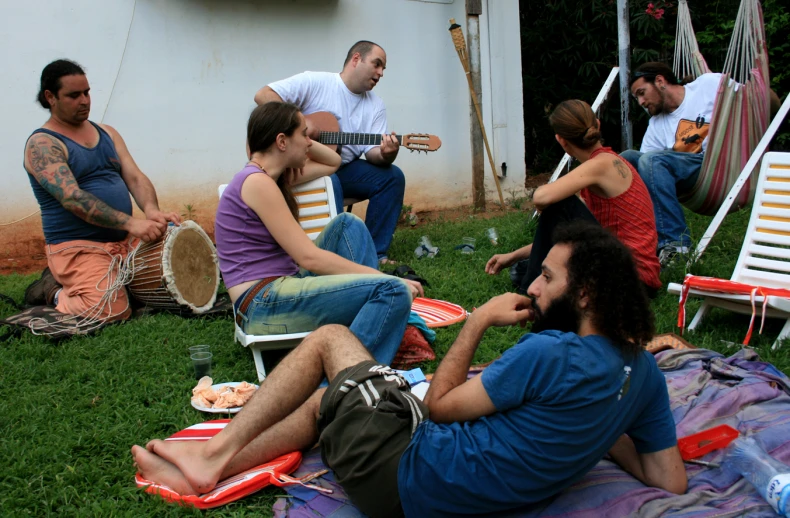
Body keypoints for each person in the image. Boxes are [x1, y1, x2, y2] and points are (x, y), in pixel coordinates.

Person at [132, 221, 687, 518]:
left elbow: (440, 409)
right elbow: (669, 478)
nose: (532, 288)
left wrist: (477, 322)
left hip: (407, 474)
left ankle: (211, 458)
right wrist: (603, 431)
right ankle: (216, 460)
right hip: (428, 482)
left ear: (585, 293)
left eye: (545, 278)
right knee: (336, 399)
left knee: (332, 341)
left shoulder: (550, 355)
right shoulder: (643, 378)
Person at [214, 101, 422, 368]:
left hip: (278, 289)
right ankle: (348, 374)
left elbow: (334, 161)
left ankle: (372, 313)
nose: (310, 140)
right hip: (262, 305)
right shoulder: (257, 183)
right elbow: (308, 257)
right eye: (304, 134)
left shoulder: (273, 177)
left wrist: (299, 140)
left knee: (348, 224)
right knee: (392, 290)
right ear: (281, 141)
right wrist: (384, 278)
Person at [22, 59, 180, 322]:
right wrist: (131, 223)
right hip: (77, 248)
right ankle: (53, 292)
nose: (84, 100)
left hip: (123, 243)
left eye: (86, 92)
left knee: (181, 258)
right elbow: (73, 198)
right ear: (50, 97)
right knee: (111, 310)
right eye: (74, 95)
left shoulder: (107, 133)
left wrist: (152, 212)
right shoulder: (42, 144)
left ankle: (117, 283)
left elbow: (135, 177)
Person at [486, 99, 661, 296]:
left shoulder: (601, 165)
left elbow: (541, 197)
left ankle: (527, 297)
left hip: (630, 278)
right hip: (629, 273)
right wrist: (512, 256)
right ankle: (534, 281)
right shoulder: (603, 164)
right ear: (598, 125)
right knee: (524, 269)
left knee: (559, 202)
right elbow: (571, 232)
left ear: (561, 140)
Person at [254, 40, 404, 264]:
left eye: (383, 68)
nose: (380, 73)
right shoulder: (316, 82)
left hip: (345, 170)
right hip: (301, 168)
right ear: (356, 59)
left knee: (392, 177)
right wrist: (301, 122)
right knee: (329, 180)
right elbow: (263, 95)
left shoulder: (375, 105)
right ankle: (331, 255)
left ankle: (374, 254)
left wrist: (387, 153)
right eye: (377, 64)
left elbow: (373, 154)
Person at [620, 62, 723, 266]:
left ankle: (676, 246)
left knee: (652, 159)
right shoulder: (656, 124)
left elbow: (750, 99)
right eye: (636, 97)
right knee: (626, 159)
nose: (640, 102)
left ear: (660, 81)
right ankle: (630, 239)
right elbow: (646, 172)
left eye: (642, 93)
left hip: (718, 164)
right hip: (692, 179)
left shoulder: (707, 86)